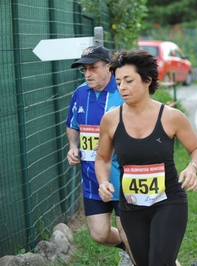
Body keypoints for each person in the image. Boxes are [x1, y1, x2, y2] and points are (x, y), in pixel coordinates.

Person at [95, 49, 197, 266]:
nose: (122, 88)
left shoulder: (171, 117)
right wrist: (103, 182)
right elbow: (102, 158)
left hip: (168, 201)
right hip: (131, 206)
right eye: (118, 82)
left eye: (129, 80)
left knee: (160, 262)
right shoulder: (110, 120)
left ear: (147, 80)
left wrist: (192, 168)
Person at [66, 45, 133, 266]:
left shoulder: (122, 93)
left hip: (122, 177)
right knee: (100, 235)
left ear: (109, 67)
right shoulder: (79, 93)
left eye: (93, 68)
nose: (88, 74)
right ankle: (128, 249)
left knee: (130, 234)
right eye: (84, 69)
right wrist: (73, 146)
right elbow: (73, 125)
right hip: (92, 178)